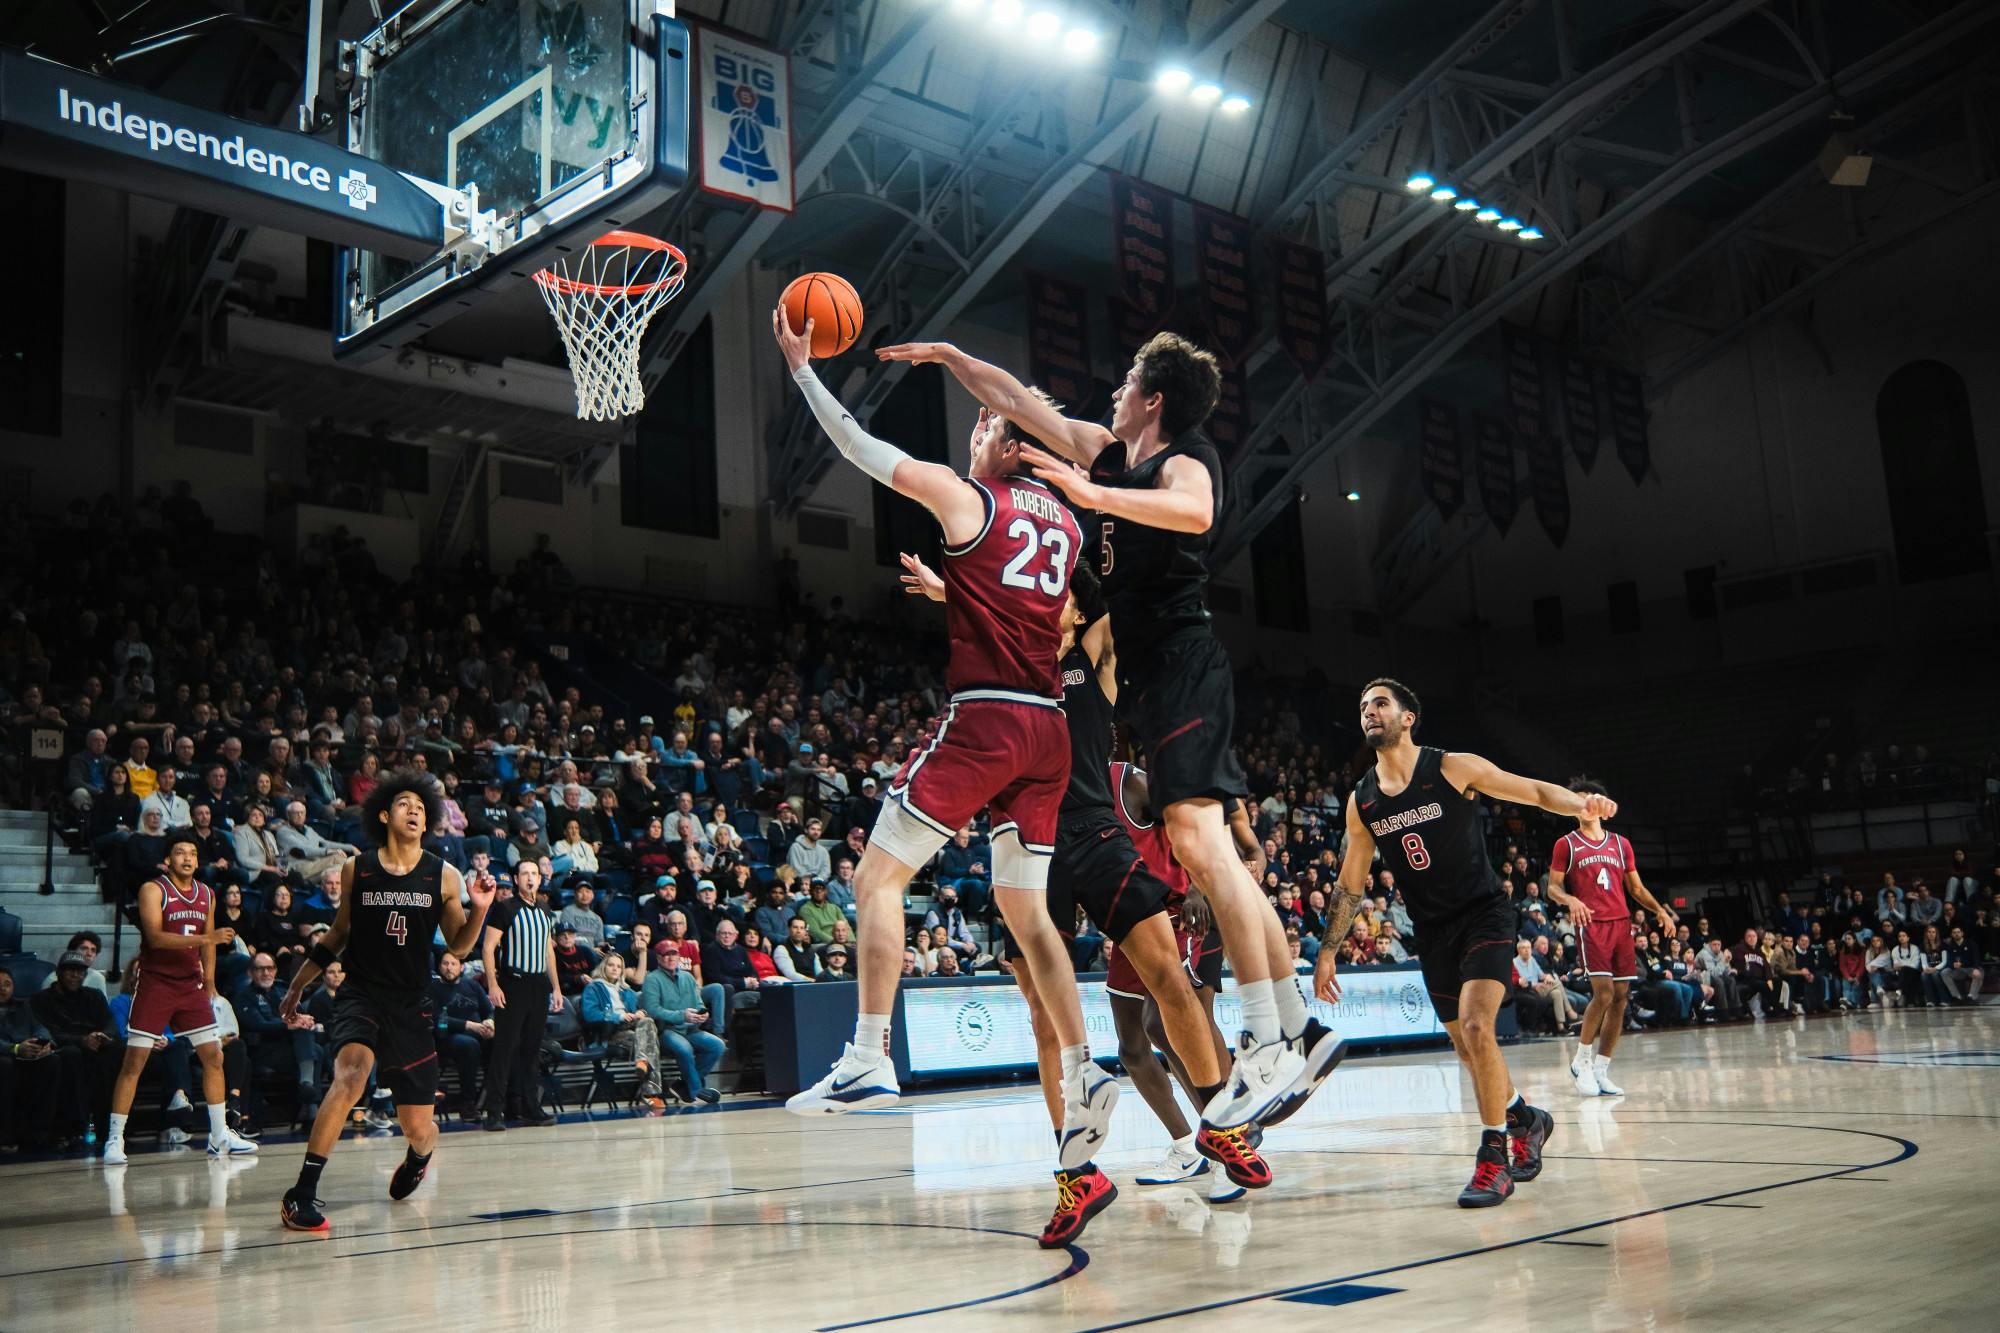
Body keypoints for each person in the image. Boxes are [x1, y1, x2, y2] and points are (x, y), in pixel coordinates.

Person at [884, 331, 1325, 1136]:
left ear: (1153, 399)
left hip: (1138, 739)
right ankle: (1099, 1147)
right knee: (1084, 997)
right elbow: (1020, 401)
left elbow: (1193, 513)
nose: (1115, 387)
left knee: (1188, 898)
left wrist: (1090, 502)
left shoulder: (1174, 475)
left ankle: (1263, 1052)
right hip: (1062, 797)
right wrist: (954, 358)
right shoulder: (1101, 460)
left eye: (1127, 378)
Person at [782, 309, 1126, 1248]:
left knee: (876, 878)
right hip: (1051, 731)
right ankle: (1083, 1062)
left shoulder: (971, 500)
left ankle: (867, 1053)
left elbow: (857, 445)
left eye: (979, 426)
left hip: (987, 720)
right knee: (1030, 917)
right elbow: (1036, 615)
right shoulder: (1061, 516)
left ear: (1001, 442)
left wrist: (801, 370)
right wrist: (954, 592)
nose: (971, 432)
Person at [1312, 679, 1578, 1208]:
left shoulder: (1453, 767)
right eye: (1363, 706)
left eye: (1381, 703)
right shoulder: (1361, 801)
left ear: (1408, 716)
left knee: (1479, 1028)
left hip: (1484, 914)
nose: (1369, 712)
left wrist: (1582, 803)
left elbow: (1534, 790)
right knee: (1469, 1049)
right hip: (1433, 934)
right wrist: (1326, 951)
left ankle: (1492, 1156)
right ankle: (1527, 1117)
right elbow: (1349, 882)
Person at [275, 771, 497, 1232]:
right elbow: (338, 934)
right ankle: (302, 1192)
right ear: (383, 815)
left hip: (412, 1003)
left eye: (421, 805)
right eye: (404, 804)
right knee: (351, 1076)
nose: (414, 810)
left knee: (419, 1127)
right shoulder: (360, 868)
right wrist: (297, 985)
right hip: (361, 993)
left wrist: (479, 910)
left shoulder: (444, 874)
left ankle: (419, 1156)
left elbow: (457, 947)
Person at [101, 832, 259, 1165]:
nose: (187, 858)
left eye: (192, 853)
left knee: (214, 1057)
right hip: (156, 983)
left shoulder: (207, 893)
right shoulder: (153, 890)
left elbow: (208, 946)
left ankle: (219, 1136)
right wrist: (208, 936)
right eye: (179, 852)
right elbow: (156, 938)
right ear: (168, 860)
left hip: (191, 985)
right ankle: (114, 1137)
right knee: (134, 1063)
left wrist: (211, 981)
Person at [1543, 780, 1676, 1097]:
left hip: (1621, 925)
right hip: (1591, 924)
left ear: (1599, 804)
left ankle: (1602, 1068)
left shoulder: (1620, 844)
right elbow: (1553, 888)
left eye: (1588, 799)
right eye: (1577, 801)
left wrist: (1661, 911)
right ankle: (1581, 1061)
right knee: (1602, 994)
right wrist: (1570, 900)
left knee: (1620, 998)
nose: (1583, 805)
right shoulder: (1567, 844)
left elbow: (1637, 889)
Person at [477, 860, 562, 1132]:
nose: (530, 878)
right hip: (512, 984)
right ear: (516, 879)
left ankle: (530, 1107)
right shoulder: (505, 908)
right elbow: (488, 948)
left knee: (532, 1050)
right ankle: (494, 1111)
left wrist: (557, 987)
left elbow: (549, 951)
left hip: (538, 985)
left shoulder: (545, 909)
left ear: (539, 879)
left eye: (534, 874)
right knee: (504, 1048)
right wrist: (493, 984)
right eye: (525, 873)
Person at [31, 950, 122, 1149]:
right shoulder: (41, 999)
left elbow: (110, 1023)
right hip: (67, 1048)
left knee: (116, 1050)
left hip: (95, 1046)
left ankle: (110, 1128)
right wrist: (82, 1040)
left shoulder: (94, 996)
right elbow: (50, 1033)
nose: (75, 976)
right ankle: (76, 1129)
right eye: (70, 971)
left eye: (80, 972)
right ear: (59, 973)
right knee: (72, 1057)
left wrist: (103, 1036)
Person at [640, 942, 722, 1103]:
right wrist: (681, 1016)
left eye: (674, 954)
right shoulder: (652, 979)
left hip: (690, 1029)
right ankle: (695, 1090)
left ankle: (684, 1085)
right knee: (684, 1048)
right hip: (666, 1030)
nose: (671, 958)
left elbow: (698, 1003)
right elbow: (653, 1010)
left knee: (717, 1046)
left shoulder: (688, 977)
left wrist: (701, 1014)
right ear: (658, 958)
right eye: (666, 954)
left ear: (679, 956)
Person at [581, 954, 663, 1111]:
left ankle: (642, 1063)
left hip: (631, 1029)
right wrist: (618, 1016)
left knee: (646, 1021)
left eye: (618, 966)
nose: (615, 969)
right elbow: (590, 1015)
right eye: (611, 965)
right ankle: (651, 1093)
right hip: (609, 1031)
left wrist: (639, 1013)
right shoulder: (594, 987)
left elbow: (634, 1013)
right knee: (649, 1043)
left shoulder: (628, 991)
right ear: (603, 967)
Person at [1, 966, 66, 1152]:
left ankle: (40, 1134)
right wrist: (14, 1049)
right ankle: (5, 1136)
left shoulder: (24, 1006)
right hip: (7, 1057)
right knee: (5, 1066)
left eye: (7, 984)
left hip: (27, 1057)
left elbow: (41, 1028)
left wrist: (47, 1044)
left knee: (53, 1061)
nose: (3, 988)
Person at [426, 950, 493, 1113]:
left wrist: (490, 1022)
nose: (449, 968)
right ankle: (468, 1100)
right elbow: (436, 1018)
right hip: (447, 1037)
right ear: (439, 967)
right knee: (468, 1045)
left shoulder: (472, 985)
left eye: (453, 964)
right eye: (445, 964)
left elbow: (488, 1010)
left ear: (461, 968)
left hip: (479, 1033)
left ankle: (501, 1097)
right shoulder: (432, 987)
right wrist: (469, 1025)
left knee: (504, 1041)